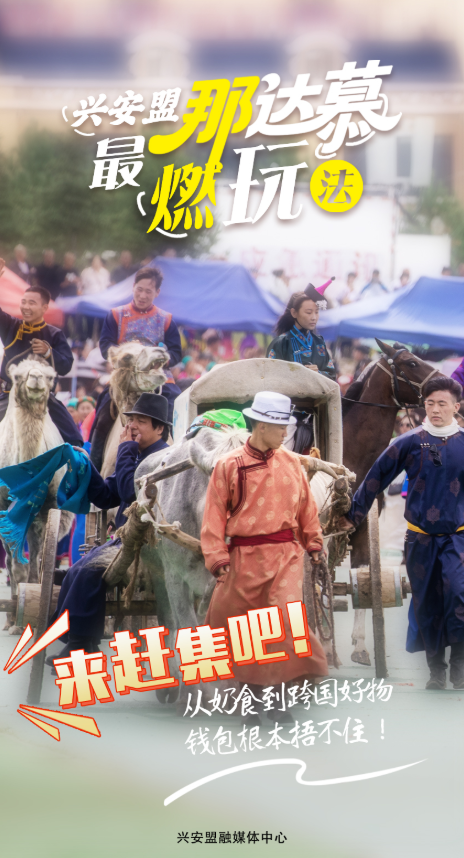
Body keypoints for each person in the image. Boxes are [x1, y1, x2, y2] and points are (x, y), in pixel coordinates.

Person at [201, 391, 328, 724]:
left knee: (284, 623)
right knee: (246, 630)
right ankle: (252, 703)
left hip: (286, 555)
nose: (286, 433)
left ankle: (280, 702)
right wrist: (217, 558)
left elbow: (307, 510)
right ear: (260, 425)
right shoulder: (228, 466)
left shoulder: (292, 464)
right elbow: (213, 516)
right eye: (280, 427)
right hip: (242, 557)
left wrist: (314, 543)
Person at [337, 376, 464, 691]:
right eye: (430, 403)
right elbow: (374, 477)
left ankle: (460, 667)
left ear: (457, 407)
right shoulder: (408, 442)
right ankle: (436, 671)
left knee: (458, 595)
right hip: (419, 539)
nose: (435, 409)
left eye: (442, 404)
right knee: (427, 603)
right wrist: (353, 515)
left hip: (458, 538)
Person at [46, 393, 170, 658]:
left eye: (141, 421)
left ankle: (79, 644)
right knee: (76, 570)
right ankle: (83, 642)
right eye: (131, 420)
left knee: (88, 571)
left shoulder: (163, 459)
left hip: (146, 545)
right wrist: (85, 465)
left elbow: (128, 492)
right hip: (124, 540)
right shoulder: (137, 455)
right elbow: (106, 496)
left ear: (160, 428)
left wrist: (125, 450)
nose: (132, 426)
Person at [0, 263, 83, 445]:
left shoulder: (55, 334)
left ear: (45, 307)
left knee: (75, 439)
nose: (26, 307)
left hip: (42, 397)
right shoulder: (11, 326)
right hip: (10, 393)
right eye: (24, 302)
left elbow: (66, 365)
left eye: (32, 303)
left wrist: (48, 353)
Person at [99, 266, 182, 422]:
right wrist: (123, 356)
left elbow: (176, 352)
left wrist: (159, 361)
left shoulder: (166, 319)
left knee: (176, 405)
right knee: (103, 410)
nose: (142, 295)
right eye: (139, 289)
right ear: (133, 287)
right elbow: (105, 346)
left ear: (157, 292)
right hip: (124, 377)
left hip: (156, 376)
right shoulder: (115, 315)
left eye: (148, 291)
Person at [266, 285, 336, 380]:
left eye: (316, 312)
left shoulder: (319, 343)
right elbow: (269, 377)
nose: (314, 317)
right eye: (308, 312)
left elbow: (332, 377)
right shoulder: (281, 343)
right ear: (294, 313)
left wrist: (318, 373)